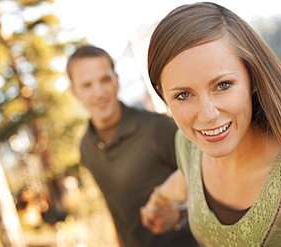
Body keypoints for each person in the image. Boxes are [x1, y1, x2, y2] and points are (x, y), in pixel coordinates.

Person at [141, 2, 281, 246]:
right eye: (183, 95)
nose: (208, 115)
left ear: (252, 76)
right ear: (163, 95)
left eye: (223, 85)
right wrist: (172, 209)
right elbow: (188, 180)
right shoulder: (189, 146)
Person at [67, 45, 198, 247]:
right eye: (87, 85)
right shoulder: (86, 147)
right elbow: (115, 209)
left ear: (117, 80)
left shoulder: (158, 128)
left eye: (105, 80)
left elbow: (214, 181)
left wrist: (180, 214)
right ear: (74, 92)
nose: (99, 93)